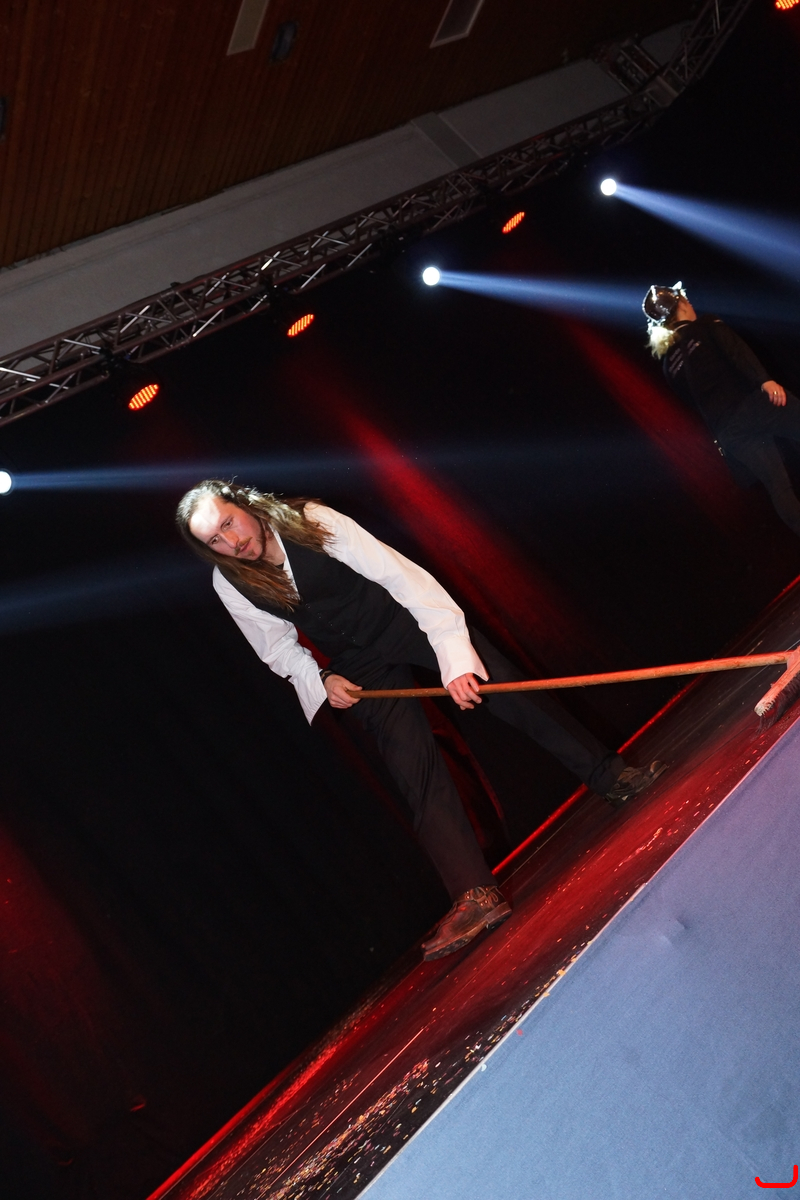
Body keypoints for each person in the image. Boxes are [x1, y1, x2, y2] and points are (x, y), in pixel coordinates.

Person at [176, 480, 664, 959]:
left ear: (245, 504)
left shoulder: (311, 522)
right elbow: (276, 647)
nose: (232, 542)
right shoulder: (229, 581)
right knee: (413, 767)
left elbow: (402, 577)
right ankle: (475, 894)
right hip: (358, 663)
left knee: (510, 696)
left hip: (404, 619)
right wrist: (320, 678)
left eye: (229, 523)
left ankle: (610, 777)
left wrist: (453, 657)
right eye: (214, 540)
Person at [644, 282, 800, 537]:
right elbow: (737, 352)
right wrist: (765, 380)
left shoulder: (668, 364)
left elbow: (692, 401)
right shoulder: (706, 325)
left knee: (777, 486)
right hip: (753, 405)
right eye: (685, 299)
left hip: (729, 431)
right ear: (681, 305)